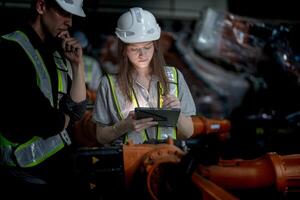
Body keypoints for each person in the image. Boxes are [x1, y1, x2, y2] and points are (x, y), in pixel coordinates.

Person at [0, 0, 87, 199]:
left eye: (72, 16)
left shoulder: (54, 51)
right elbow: (48, 122)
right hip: (25, 174)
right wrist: (66, 116)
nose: (70, 22)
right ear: (41, 6)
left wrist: (77, 65)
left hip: (55, 170)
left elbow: (78, 109)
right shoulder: (10, 50)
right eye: (64, 13)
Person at [93, 7, 196, 145]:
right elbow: (100, 136)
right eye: (134, 49)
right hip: (129, 161)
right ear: (123, 50)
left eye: (147, 47)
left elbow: (188, 132)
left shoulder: (175, 77)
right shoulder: (108, 84)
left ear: (155, 46)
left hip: (167, 159)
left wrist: (177, 114)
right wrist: (123, 127)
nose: (142, 54)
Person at [73, 30, 103, 103]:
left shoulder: (92, 63)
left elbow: (98, 94)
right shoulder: (61, 62)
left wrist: (87, 93)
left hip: (87, 107)